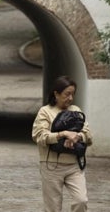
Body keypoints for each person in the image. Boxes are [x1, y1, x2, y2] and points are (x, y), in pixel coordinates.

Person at [32, 76, 93, 212]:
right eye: (67, 94)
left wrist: (77, 136)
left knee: (81, 200)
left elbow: (88, 134)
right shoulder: (45, 112)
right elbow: (39, 136)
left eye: (72, 94)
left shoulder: (76, 110)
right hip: (51, 166)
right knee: (53, 207)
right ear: (56, 94)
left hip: (74, 165)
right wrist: (62, 134)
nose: (70, 98)